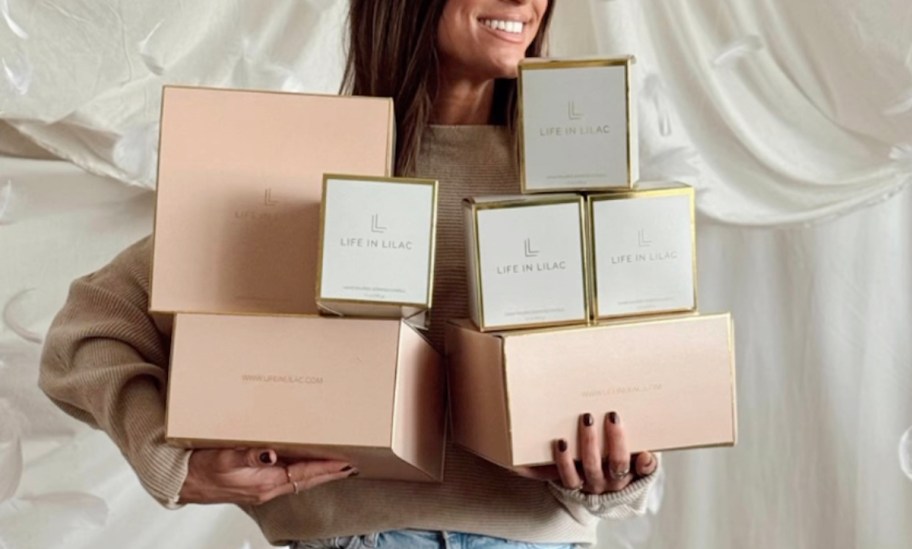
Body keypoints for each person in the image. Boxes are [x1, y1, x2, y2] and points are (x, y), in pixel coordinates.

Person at [39, 0, 660, 547]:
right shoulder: (313, 157)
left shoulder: (578, 168)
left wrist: (619, 475)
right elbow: (91, 325)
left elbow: (646, 373)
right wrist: (173, 463)